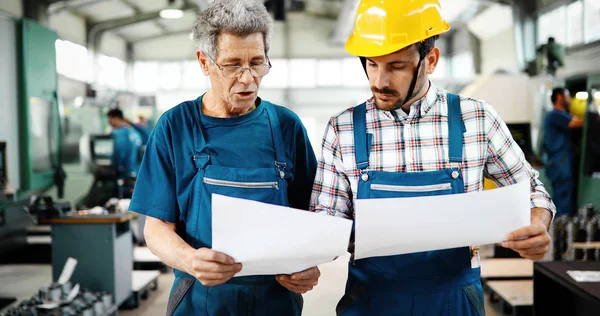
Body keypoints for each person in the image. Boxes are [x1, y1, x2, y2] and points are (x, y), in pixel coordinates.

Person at [309, 1, 556, 314]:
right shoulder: (342, 129)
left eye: (396, 66)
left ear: (431, 60)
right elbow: (326, 217)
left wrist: (537, 223)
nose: (380, 82)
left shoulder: (476, 119)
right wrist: (303, 255)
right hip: (373, 299)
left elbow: (533, 191)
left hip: (453, 299)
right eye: (372, 64)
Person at [128, 1, 319, 315]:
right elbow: (156, 227)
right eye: (232, 65)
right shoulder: (175, 127)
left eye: (257, 63)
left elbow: (313, 219)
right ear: (204, 61)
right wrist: (190, 260)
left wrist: (308, 266)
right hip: (200, 301)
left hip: (275, 302)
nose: (247, 79)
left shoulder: (287, 127)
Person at [543, 88, 583, 216]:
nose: (570, 99)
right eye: (567, 95)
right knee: (562, 198)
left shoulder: (562, 115)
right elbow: (575, 122)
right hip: (560, 163)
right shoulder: (554, 115)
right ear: (559, 97)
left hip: (562, 162)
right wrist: (594, 117)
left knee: (564, 196)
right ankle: (560, 229)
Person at [106, 108, 142, 180]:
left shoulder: (118, 134)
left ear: (116, 118)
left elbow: (121, 153)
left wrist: (115, 169)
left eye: (109, 119)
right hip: (135, 171)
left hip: (124, 173)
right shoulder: (133, 132)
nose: (108, 122)